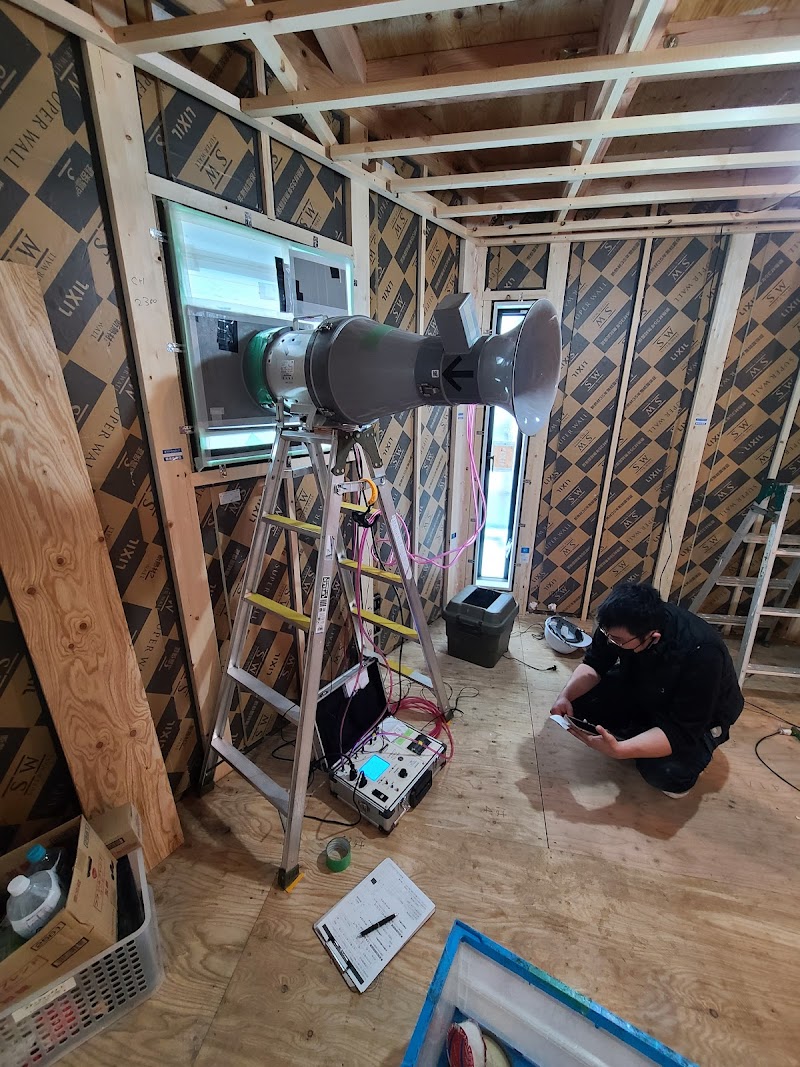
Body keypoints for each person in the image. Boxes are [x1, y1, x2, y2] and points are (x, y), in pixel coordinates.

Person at [549, 582, 744, 797]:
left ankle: (683, 747)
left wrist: (620, 751)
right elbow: (594, 664)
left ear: (653, 636)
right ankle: (643, 730)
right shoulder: (617, 622)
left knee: (665, 773)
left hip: (701, 715)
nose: (610, 641)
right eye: (607, 634)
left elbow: (682, 730)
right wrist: (565, 696)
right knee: (577, 703)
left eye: (618, 640)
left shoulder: (702, 652)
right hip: (648, 686)